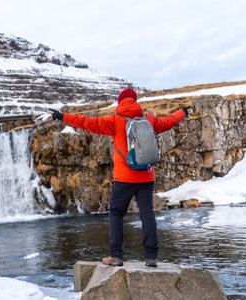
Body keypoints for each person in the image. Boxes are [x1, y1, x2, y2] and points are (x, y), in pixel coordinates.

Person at [50, 88, 190, 267]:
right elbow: (170, 121)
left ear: (120, 102)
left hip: (124, 178)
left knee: (116, 213)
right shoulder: (149, 119)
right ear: (135, 101)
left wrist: (63, 117)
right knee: (147, 215)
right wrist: (183, 112)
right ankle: (151, 257)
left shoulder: (114, 121)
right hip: (146, 177)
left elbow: (86, 122)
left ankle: (116, 256)